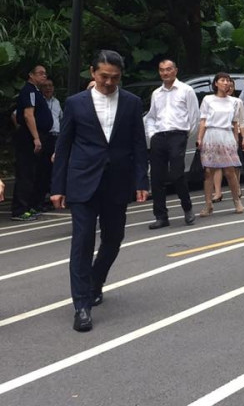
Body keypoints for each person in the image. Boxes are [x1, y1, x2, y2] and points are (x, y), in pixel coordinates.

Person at [51, 50, 149, 332]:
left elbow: (138, 145)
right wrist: (57, 187)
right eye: (104, 76)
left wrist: (141, 181)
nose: (109, 82)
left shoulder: (131, 103)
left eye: (115, 78)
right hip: (82, 181)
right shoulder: (75, 103)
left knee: (114, 238)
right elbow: (64, 146)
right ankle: (81, 305)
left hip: (117, 182)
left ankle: (96, 281)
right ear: (92, 73)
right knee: (81, 241)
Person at [144, 59, 200, 229]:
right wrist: (152, 134)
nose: (165, 73)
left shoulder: (186, 90)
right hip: (159, 136)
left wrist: (185, 134)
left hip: (178, 135)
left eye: (168, 69)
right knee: (156, 177)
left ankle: (187, 207)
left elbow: (194, 116)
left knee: (177, 174)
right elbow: (151, 117)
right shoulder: (156, 93)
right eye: (162, 70)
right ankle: (161, 216)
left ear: (175, 70)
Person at [197, 73, 244, 216]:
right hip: (211, 135)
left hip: (226, 134)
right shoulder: (208, 99)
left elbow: (235, 122)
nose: (226, 83)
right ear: (216, 83)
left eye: (228, 81)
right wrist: (200, 138)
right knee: (208, 172)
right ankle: (208, 204)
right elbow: (203, 120)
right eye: (222, 80)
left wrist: (237, 139)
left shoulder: (234, 102)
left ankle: (237, 200)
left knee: (230, 171)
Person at [11, 64, 53, 221]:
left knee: (36, 172)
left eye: (45, 73)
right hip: (29, 137)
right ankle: (20, 209)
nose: (43, 76)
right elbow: (29, 115)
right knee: (26, 172)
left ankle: (29, 205)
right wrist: (36, 137)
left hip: (39, 134)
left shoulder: (36, 92)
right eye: (40, 73)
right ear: (31, 75)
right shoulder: (29, 91)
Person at [37, 78, 62, 205]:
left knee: (54, 168)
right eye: (45, 86)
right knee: (43, 169)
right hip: (44, 137)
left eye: (50, 86)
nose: (48, 88)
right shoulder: (39, 101)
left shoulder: (56, 102)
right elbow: (16, 115)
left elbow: (61, 118)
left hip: (55, 137)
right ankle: (39, 201)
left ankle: (53, 197)